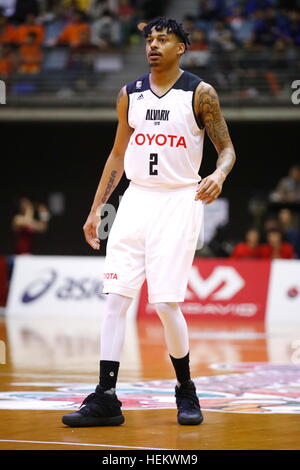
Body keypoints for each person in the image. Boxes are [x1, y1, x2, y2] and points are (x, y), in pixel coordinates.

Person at [62, 16, 236, 428]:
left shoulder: (200, 93)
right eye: (150, 40)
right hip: (136, 199)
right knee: (115, 298)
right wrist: (95, 210)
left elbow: (227, 149)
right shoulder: (130, 94)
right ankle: (106, 396)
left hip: (179, 200)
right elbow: (117, 156)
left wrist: (219, 173)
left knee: (165, 304)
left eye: (164, 39)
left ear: (182, 48)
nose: (153, 45)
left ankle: (185, 388)